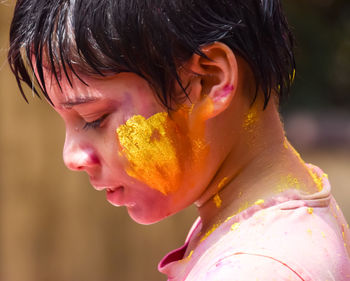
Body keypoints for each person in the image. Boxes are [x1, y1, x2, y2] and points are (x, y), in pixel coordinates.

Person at [8, 0, 350, 280]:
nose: (71, 156)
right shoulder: (281, 212)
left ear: (209, 81)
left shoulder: (259, 268)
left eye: (94, 118)